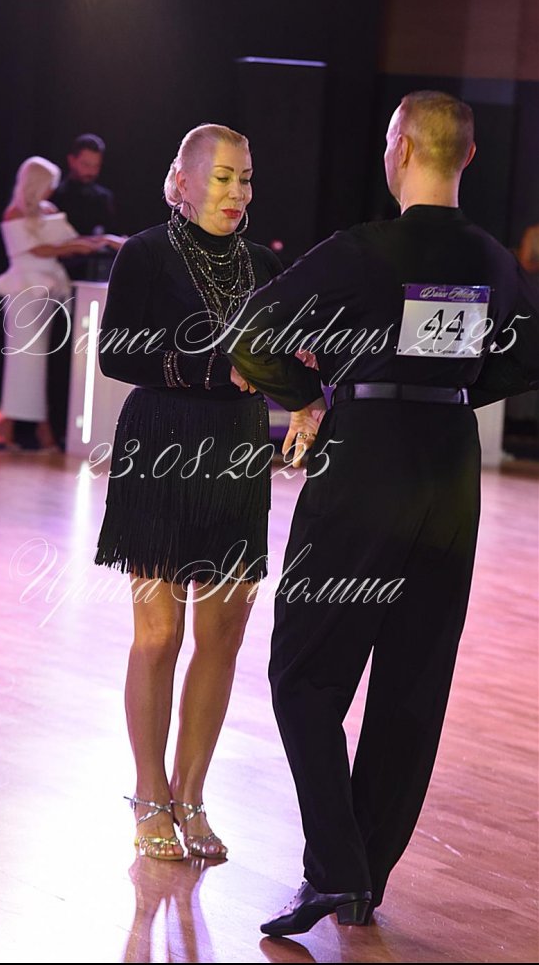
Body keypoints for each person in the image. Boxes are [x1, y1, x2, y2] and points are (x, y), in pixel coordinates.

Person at [225, 91, 539, 934]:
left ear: (397, 148)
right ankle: (362, 876)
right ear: (467, 156)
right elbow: (527, 360)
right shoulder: (493, 259)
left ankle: (335, 868)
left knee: (304, 675)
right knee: (413, 684)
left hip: (365, 463)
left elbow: (249, 334)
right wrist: (453, 386)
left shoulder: (361, 249)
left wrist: (308, 395)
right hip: (451, 472)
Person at [94, 124, 283, 860]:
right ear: (183, 180)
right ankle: (149, 794)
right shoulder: (144, 253)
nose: (237, 192)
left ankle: (192, 794)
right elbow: (117, 353)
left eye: (246, 178)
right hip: (161, 445)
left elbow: (284, 351)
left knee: (223, 634)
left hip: (239, 450)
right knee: (159, 634)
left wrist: (301, 381)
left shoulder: (265, 263)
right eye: (223, 177)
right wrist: (213, 368)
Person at [0, 156, 102, 450]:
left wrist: (100, 242)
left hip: (48, 292)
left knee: (38, 361)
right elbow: (37, 249)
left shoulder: (48, 210)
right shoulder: (14, 214)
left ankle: (25, 427)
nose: (52, 189)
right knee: (24, 361)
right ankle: (27, 427)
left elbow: (69, 240)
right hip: (25, 293)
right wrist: (73, 246)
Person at [51, 133, 126, 282]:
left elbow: (114, 231)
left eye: (96, 166)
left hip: (99, 271)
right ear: (72, 160)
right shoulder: (55, 196)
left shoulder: (104, 197)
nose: (91, 172)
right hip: (61, 273)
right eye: (85, 165)